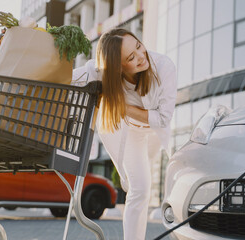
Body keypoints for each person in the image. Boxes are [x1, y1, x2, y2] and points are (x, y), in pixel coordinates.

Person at [73, 28, 177, 240]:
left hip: (155, 132)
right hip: (130, 132)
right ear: (118, 68)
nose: (141, 56)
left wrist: (121, 104)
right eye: (131, 57)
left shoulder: (164, 67)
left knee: (144, 180)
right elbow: (68, 78)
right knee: (140, 188)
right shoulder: (100, 70)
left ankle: (130, 178)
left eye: (139, 46)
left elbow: (163, 119)